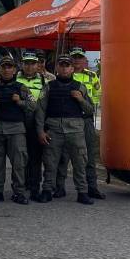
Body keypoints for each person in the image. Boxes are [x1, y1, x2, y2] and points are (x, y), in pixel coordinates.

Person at [37, 56, 95, 205]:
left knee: (80, 163)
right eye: (61, 65)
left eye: (67, 65)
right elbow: (41, 110)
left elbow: (90, 110)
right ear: (57, 68)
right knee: (50, 162)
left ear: (71, 68)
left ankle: (82, 192)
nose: (64, 68)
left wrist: (81, 99)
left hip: (75, 130)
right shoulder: (49, 87)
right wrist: (40, 131)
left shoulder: (80, 87)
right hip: (54, 129)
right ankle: (47, 190)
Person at [0, 57, 35, 204]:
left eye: (9, 67)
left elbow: (34, 106)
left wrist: (20, 102)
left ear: (14, 69)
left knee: (19, 163)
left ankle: (19, 192)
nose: (6, 70)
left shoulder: (21, 87)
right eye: (4, 67)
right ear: (0, 69)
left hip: (16, 130)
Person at [68, 47, 105, 200]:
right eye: (74, 57)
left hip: (86, 119)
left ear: (85, 60)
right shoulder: (64, 75)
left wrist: (87, 107)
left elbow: (98, 95)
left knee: (89, 155)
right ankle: (57, 188)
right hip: (69, 119)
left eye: (79, 57)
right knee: (64, 156)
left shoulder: (92, 76)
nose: (76, 60)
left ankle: (92, 187)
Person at [17, 51, 49, 201]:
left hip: (36, 123)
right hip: (18, 122)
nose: (29, 67)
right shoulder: (15, 78)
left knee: (35, 158)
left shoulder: (45, 81)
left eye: (32, 63)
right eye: (26, 63)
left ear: (38, 65)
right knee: (20, 157)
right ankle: (19, 187)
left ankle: (35, 188)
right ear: (22, 64)